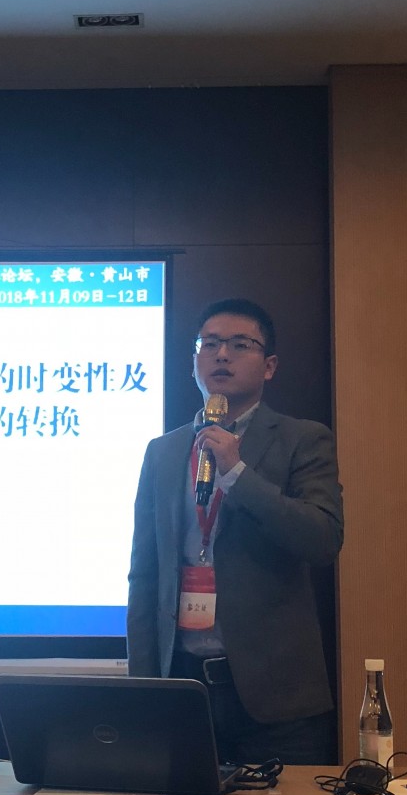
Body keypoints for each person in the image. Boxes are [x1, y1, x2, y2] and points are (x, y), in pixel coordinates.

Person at [127, 298, 344, 766]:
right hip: (182, 688)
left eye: (240, 345)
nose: (221, 354)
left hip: (275, 698)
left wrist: (237, 472)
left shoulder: (303, 439)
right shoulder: (163, 452)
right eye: (209, 344)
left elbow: (322, 539)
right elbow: (145, 574)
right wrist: (143, 688)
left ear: (269, 366)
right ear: (194, 361)